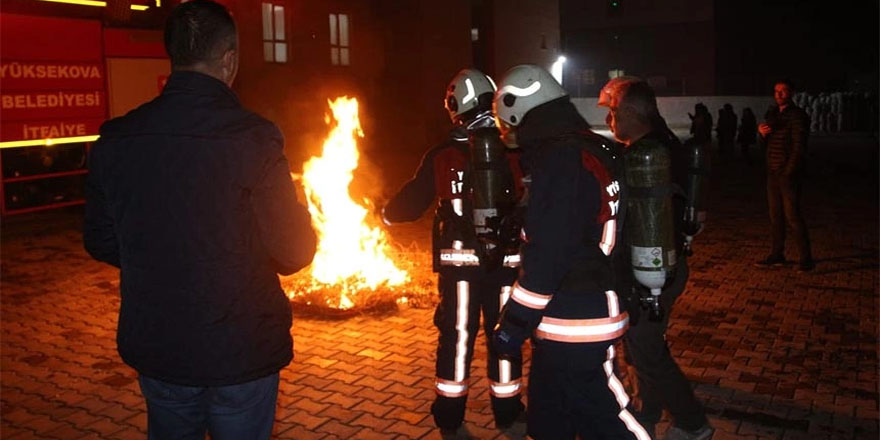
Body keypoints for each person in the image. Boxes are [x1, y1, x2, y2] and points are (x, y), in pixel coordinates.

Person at [82, 1, 317, 438]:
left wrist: (157, 261)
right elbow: (293, 251)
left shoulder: (116, 139)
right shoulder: (254, 138)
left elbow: (99, 239)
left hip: (159, 345)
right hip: (241, 351)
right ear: (229, 60)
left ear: (173, 57)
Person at [490, 65, 649, 440]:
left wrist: (514, 324)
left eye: (507, 125)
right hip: (575, 314)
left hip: (576, 320)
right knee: (548, 421)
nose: (507, 135)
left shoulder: (561, 160)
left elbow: (550, 254)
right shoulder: (590, 148)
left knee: (609, 421)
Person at [382, 68, 526, 436]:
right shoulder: (513, 149)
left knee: (457, 337)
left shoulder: (443, 154)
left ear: (454, 106)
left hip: (460, 269)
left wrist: (384, 213)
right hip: (506, 265)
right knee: (504, 335)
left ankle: (449, 418)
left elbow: (410, 205)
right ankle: (509, 412)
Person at [598, 77, 714, 440]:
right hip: (665, 265)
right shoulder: (668, 148)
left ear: (633, 112)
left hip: (648, 270)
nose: (610, 120)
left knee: (647, 351)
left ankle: (694, 424)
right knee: (642, 345)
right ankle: (648, 408)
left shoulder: (642, 158)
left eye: (615, 112)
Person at [754, 80, 814, 271]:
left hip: (788, 175)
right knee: (775, 217)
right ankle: (777, 254)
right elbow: (766, 146)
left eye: (783, 91)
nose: (779, 94)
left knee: (792, 216)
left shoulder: (797, 116)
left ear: (791, 93)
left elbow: (799, 147)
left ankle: (806, 258)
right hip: (772, 173)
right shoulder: (772, 115)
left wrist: (789, 172)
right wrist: (761, 135)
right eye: (776, 91)